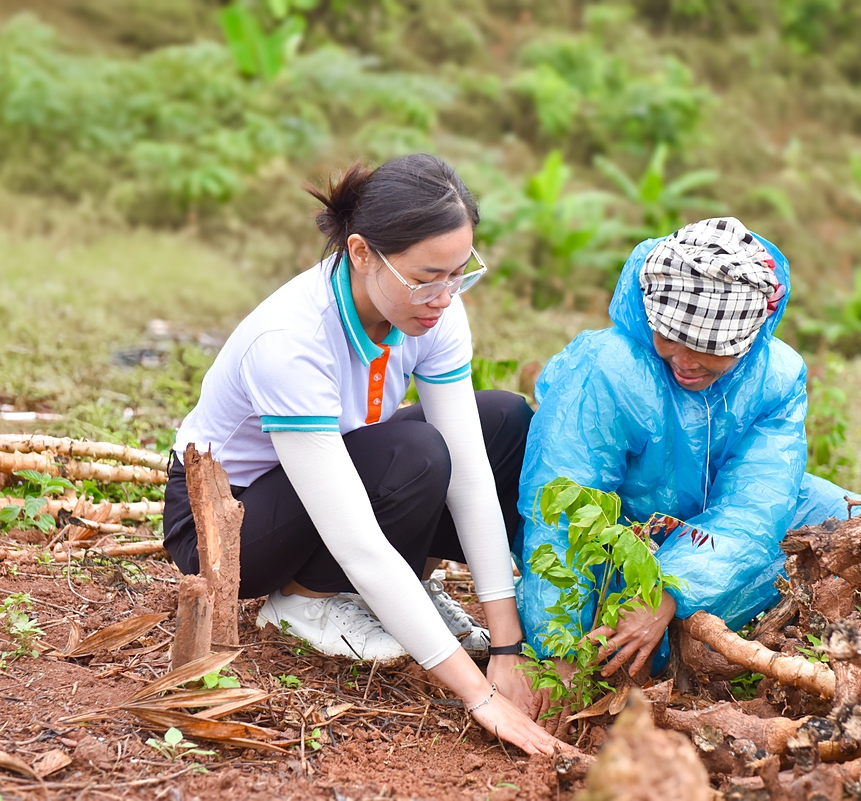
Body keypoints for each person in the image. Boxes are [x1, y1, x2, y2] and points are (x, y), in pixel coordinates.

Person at [163, 154, 563, 755]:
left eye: (460, 274)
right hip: (228, 529)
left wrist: (507, 648)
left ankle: (404, 595)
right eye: (427, 278)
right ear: (360, 254)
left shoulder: (435, 309)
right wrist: (479, 697)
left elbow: (474, 476)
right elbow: (356, 538)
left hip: (331, 476)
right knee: (416, 453)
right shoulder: (290, 342)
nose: (444, 297)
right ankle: (304, 602)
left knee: (502, 421)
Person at [516, 217, 861, 694]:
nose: (685, 358)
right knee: (601, 620)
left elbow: (755, 507)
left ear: (750, 337)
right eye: (670, 336)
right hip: (626, 541)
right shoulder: (608, 369)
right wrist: (556, 650)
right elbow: (560, 510)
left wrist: (667, 591)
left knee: (850, 518)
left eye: (710, 348)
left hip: (705, 537)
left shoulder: (775, 376)